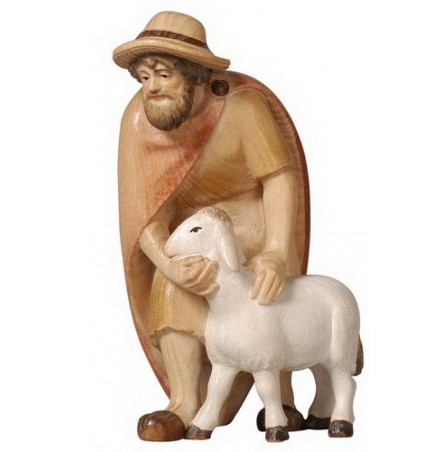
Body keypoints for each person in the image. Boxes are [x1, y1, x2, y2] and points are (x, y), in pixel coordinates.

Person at [113, 11, 310, 441]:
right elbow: (143, 213)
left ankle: (283, 397)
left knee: (267, 293)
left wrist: (277, 250)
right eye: (144, 77)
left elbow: (279, 178)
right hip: (191, 236)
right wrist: (168, 265)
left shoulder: (242, 108)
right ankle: (185, 400)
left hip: (257, 226)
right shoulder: (138, 122)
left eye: (164, 74)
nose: (152, 88)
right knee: (172, 286)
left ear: (196, 75)